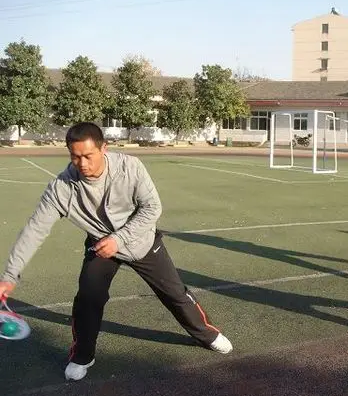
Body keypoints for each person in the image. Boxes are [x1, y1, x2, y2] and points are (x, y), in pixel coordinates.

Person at [0, 122, 233, 380]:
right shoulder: (61, 188)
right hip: (101, 247)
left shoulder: (130, 167)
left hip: (142, 242)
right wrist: (10, 276)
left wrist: (119, 239)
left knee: (175, 293)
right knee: (88, 299)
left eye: (88, 156)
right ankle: (82, 356)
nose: (82, 164)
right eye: (75, 156)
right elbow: (34, 230)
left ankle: (207, 335)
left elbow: (152, 208)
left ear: (104, 148)